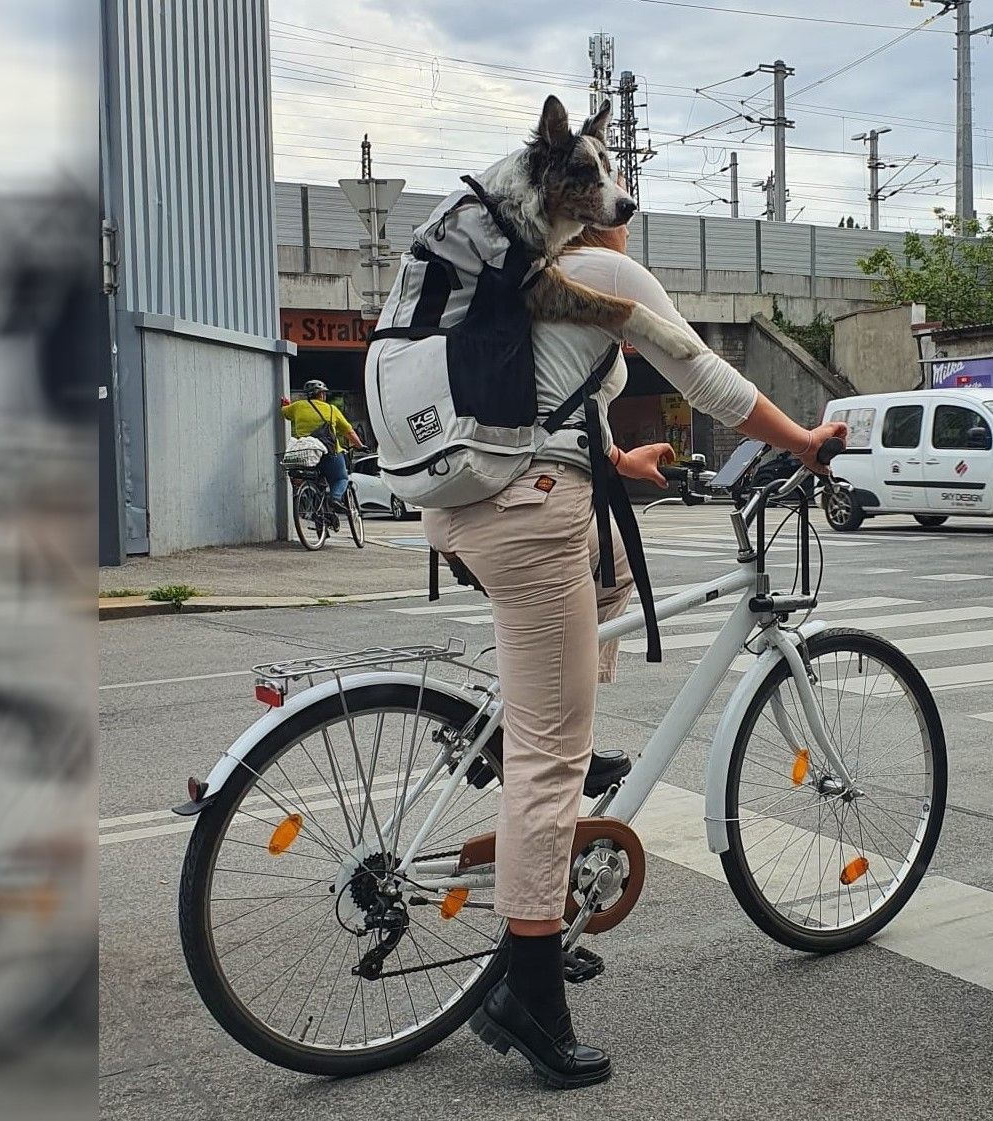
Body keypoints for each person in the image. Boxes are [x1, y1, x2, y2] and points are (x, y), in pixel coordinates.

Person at [427, 216, 845, 1089]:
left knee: (612, 572)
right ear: (600, 214)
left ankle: (537, 763)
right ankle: (527, 990)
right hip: (528, 516)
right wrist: (800, 443)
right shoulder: (601, 271)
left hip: (475, 504)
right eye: (622, 203)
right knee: (553, 754)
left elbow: (528, 399)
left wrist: (616, 456)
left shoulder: (527, 275)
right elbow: (706, 375)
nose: (627, 217)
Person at [280, 380, 363, 506]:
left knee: (314, 481)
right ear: (322, 395)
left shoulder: (297, 407)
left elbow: (285, 412)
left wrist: (286, 405)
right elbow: (349, 432)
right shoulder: (331, 409)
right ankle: (335, 498)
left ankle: (315, 509)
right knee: (341, 478)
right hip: (329, 452)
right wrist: (360, 446)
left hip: (307, 455)